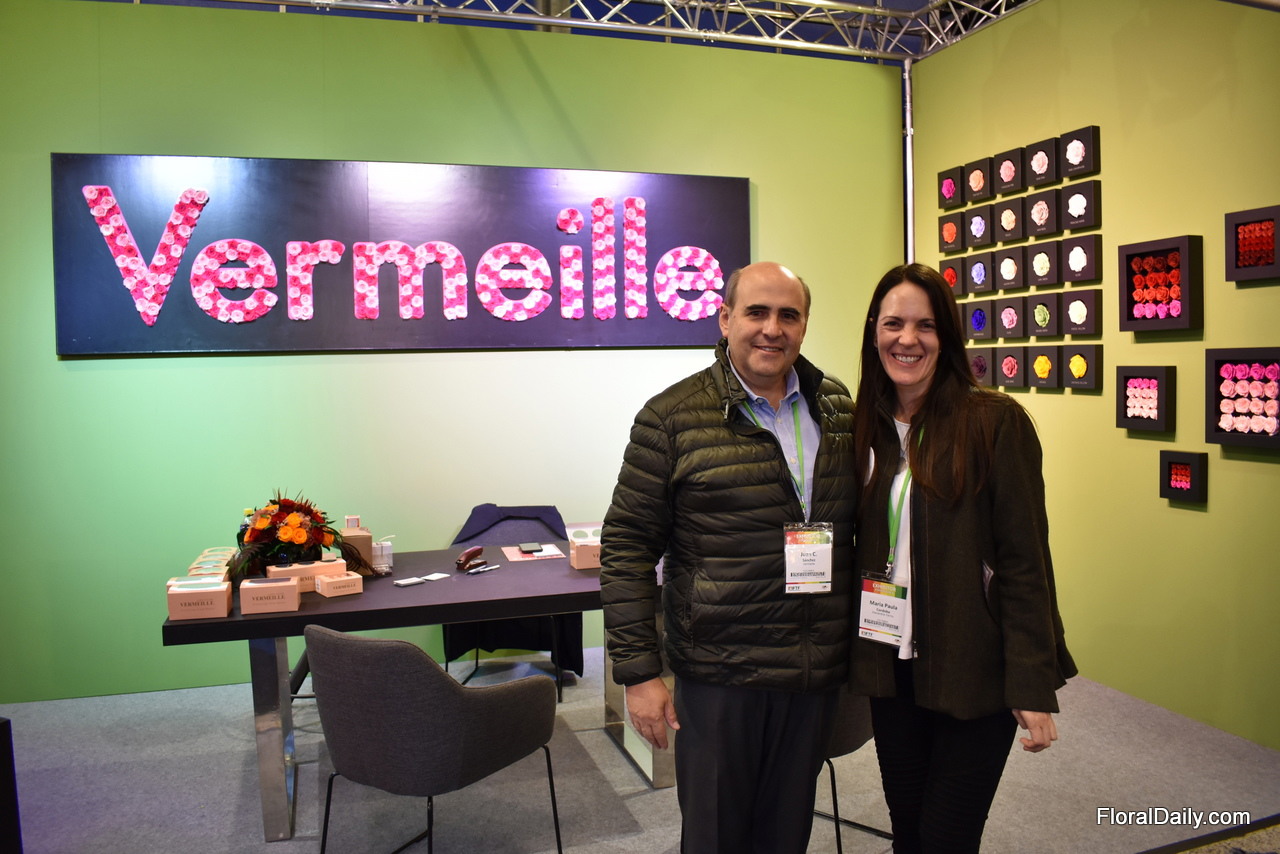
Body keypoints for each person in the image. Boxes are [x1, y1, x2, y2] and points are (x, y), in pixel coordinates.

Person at [600, 261, 856, 854]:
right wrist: (639, 673)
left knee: (786, 834)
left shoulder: (836, 406)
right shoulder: (671, 417)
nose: (772, 329)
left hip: (810, 670)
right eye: (756, 312)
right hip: (722, 674)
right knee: (716, 835)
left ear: (804, 324)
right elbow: (627, 546)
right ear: (725, 319)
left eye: (788, 315)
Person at [849, 262, 1077, 854]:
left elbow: (1025, 561)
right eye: (894, 324)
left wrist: (1031, 681)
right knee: (908, 831)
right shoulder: (864, 427)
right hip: (891, 668)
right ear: (874, 331)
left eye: (925, 325)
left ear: (946, 335)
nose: (908, 339)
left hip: (972, 670)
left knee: (945, 838)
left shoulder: (993, 422)